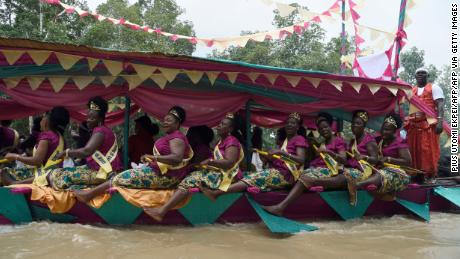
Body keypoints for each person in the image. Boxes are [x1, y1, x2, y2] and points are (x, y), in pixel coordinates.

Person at [72, 106, 193, 204]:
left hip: (166, 176)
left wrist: (153, 157)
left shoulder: (177, 137)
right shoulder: (168, 137)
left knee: (120, 178)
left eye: (169, 120)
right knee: (122, 176)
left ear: (178, 124)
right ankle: (89, 194)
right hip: (156, 171)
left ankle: (89, 195)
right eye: (164, 119)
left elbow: (176, 158)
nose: (165, 122)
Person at [143, 113, 244, 221]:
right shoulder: (222, 141)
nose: (218, 126)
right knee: (191, 175)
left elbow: (230, 162)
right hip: (220, 173)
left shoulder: (231, 141)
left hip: (229, 176)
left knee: (189, 181)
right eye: (219, 123)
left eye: (223, 124)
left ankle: (161, 211)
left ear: (230, 128)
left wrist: (209, 162)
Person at [199, 112, 307, 201]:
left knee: (252, 178)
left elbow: (301, 160)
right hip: (278, 172)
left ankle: (217, 193)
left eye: (293, 123)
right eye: (288, 123)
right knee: (252, 177)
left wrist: (282, 153)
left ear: (298, 126)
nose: (289, 125)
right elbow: (283, 160)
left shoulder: (299, 139)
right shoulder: (285, 142)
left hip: (286, 176)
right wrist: (268, 157)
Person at [263, 113, 348, 216]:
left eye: (326, 127)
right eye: (320, 129)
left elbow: (344, 159)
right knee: (296, 175)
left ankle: (280, 207)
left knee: (305, 178)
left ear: (331, 127)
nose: (323, 130)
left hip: (331, 172)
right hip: (317, 170)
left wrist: (329, 152)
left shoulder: (338, 141)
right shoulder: (322, 144)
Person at [48, 96, 123, 190]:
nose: (88, 115)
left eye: (91, 115)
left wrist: (65, 153)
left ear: (100, 117)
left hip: (103, 174)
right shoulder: (104, 130)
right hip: (102, 171)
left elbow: (86, 151)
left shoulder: (100, 131)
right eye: (88, 114)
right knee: (60, 172)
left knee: (56, 174)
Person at [0, 107, 69, 186]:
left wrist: (15, 156)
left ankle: (14, 184)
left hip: (45, 175)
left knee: (4, 172)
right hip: (54, 174)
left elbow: (37, 160)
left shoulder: (47, 136)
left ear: (47, 121)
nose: (41, 120)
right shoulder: (61, 138)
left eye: (43, 117)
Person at [351, 113, 412, 197]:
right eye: (382, 129)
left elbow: (407, 161)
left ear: (394, 131)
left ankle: (359, 184)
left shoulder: (399, 142)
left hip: (398, 173)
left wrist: (388, 159)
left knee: (381, 174)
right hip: (379, 169)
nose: (383, 132)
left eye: (387, 130)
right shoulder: (379, 140)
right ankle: (368, 184)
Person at [405, 67, 445, 178]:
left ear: (427, 76)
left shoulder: (434, 88)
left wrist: (440, 122)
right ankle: (415, 175)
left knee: (428, 151)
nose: (421, 75)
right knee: (413, 150)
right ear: (415, 76)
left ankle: (430, 175)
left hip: (429, 125)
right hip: (414, 125)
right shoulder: (411, 91)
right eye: (418, 73)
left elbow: (440, 105)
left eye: (423, 73)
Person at [342, 110, 379, 204]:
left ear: (364, 126)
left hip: (364, 171)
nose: (354, 125)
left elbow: (375, 159)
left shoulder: (369, 140)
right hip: (351, 168)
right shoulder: (352, 140)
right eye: (353, 123)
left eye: (358, 123)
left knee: (342, 176)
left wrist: (364, 157)